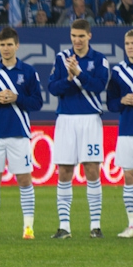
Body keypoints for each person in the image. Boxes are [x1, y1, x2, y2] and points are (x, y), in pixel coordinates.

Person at [0, 28, 43, 240]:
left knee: (24, 179)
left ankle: (28, 227)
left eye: (9, 44)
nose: (6, 48)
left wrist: (17, 98)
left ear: (17, 45)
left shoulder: (29, 72)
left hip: (19, 133)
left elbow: (38, 103)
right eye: (2, 45)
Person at [47, 19, 109, 239]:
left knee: (92, 169)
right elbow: (53, 88)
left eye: (81, 36)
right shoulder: (61, 58)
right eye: (74, 35)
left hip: (90, 119)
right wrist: (70, 78)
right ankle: (64, 226)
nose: (77, 40)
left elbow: (99, 86)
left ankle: (95, 225)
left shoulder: (100, 59)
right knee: (64, 171)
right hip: (65, 119)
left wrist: (80, 74)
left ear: (89, 36)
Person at [106, 28, 133, 238]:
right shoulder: (118, 72)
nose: (130, 47)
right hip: (127, 128)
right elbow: (110, 102)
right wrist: (122, 101)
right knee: (129, 175)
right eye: (127, 43)